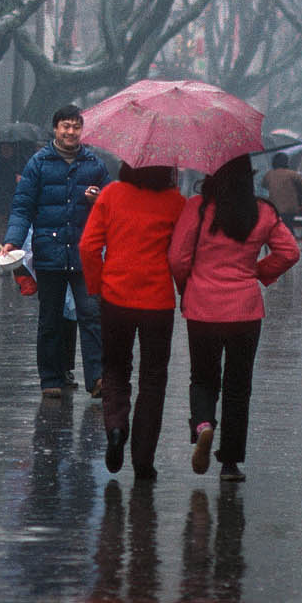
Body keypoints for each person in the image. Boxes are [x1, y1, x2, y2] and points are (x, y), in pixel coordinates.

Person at [170, 155, 300, 482]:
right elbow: (289, 252)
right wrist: (256, 272)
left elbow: (178, 257)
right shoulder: (263, 211)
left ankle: (203, 426)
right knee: (238, 386)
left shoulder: (198, 207)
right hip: (245, 311)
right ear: (248, 176)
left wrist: (188, 285)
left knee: (202, 377)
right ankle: (230, 463)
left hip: (202, 308)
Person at [79, 162, 186, 478]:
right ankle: (143, 459)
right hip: (158, 301)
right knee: (153, 379)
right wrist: (184, 289)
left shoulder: (111, 194)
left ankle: (115, 428)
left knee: (114, 369)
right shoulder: (175, 202)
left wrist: (97, 286)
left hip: (115, 297)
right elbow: (180, 256)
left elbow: (88, 246)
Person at [1, 105, 109, 399]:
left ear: (81, 130)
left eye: (75, 127)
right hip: (49, 252)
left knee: (90, 315)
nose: (70, 132)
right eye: (65, 126)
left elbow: (113, 206)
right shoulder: (39, 164)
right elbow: (22, 207)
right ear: (56, 129)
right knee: (50, 318)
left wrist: (98, 200)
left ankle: (97, 377)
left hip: (84, 254)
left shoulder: (95, 165)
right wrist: (13, 239)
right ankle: (50, 378)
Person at [261, 152, 302, 229]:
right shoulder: (292, 174)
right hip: (290, 209)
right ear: (286, 162)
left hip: (273, 209)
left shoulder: (268, 175)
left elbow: (264, 186)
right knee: (288, 227)